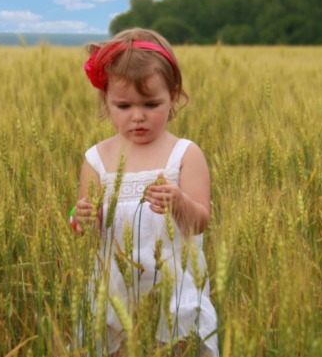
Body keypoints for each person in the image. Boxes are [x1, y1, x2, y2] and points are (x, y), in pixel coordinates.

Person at [71, 28, 219, 356]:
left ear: (174, 95)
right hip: (114, 294)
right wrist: (80, 217)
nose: (138, 116)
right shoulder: (97, 159)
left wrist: (180, 202)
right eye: (123, 105)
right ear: (105, 100)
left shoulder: (185, 154)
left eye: (152, 104)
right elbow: (89, 230)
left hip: (174, 292)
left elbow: (200, 222)